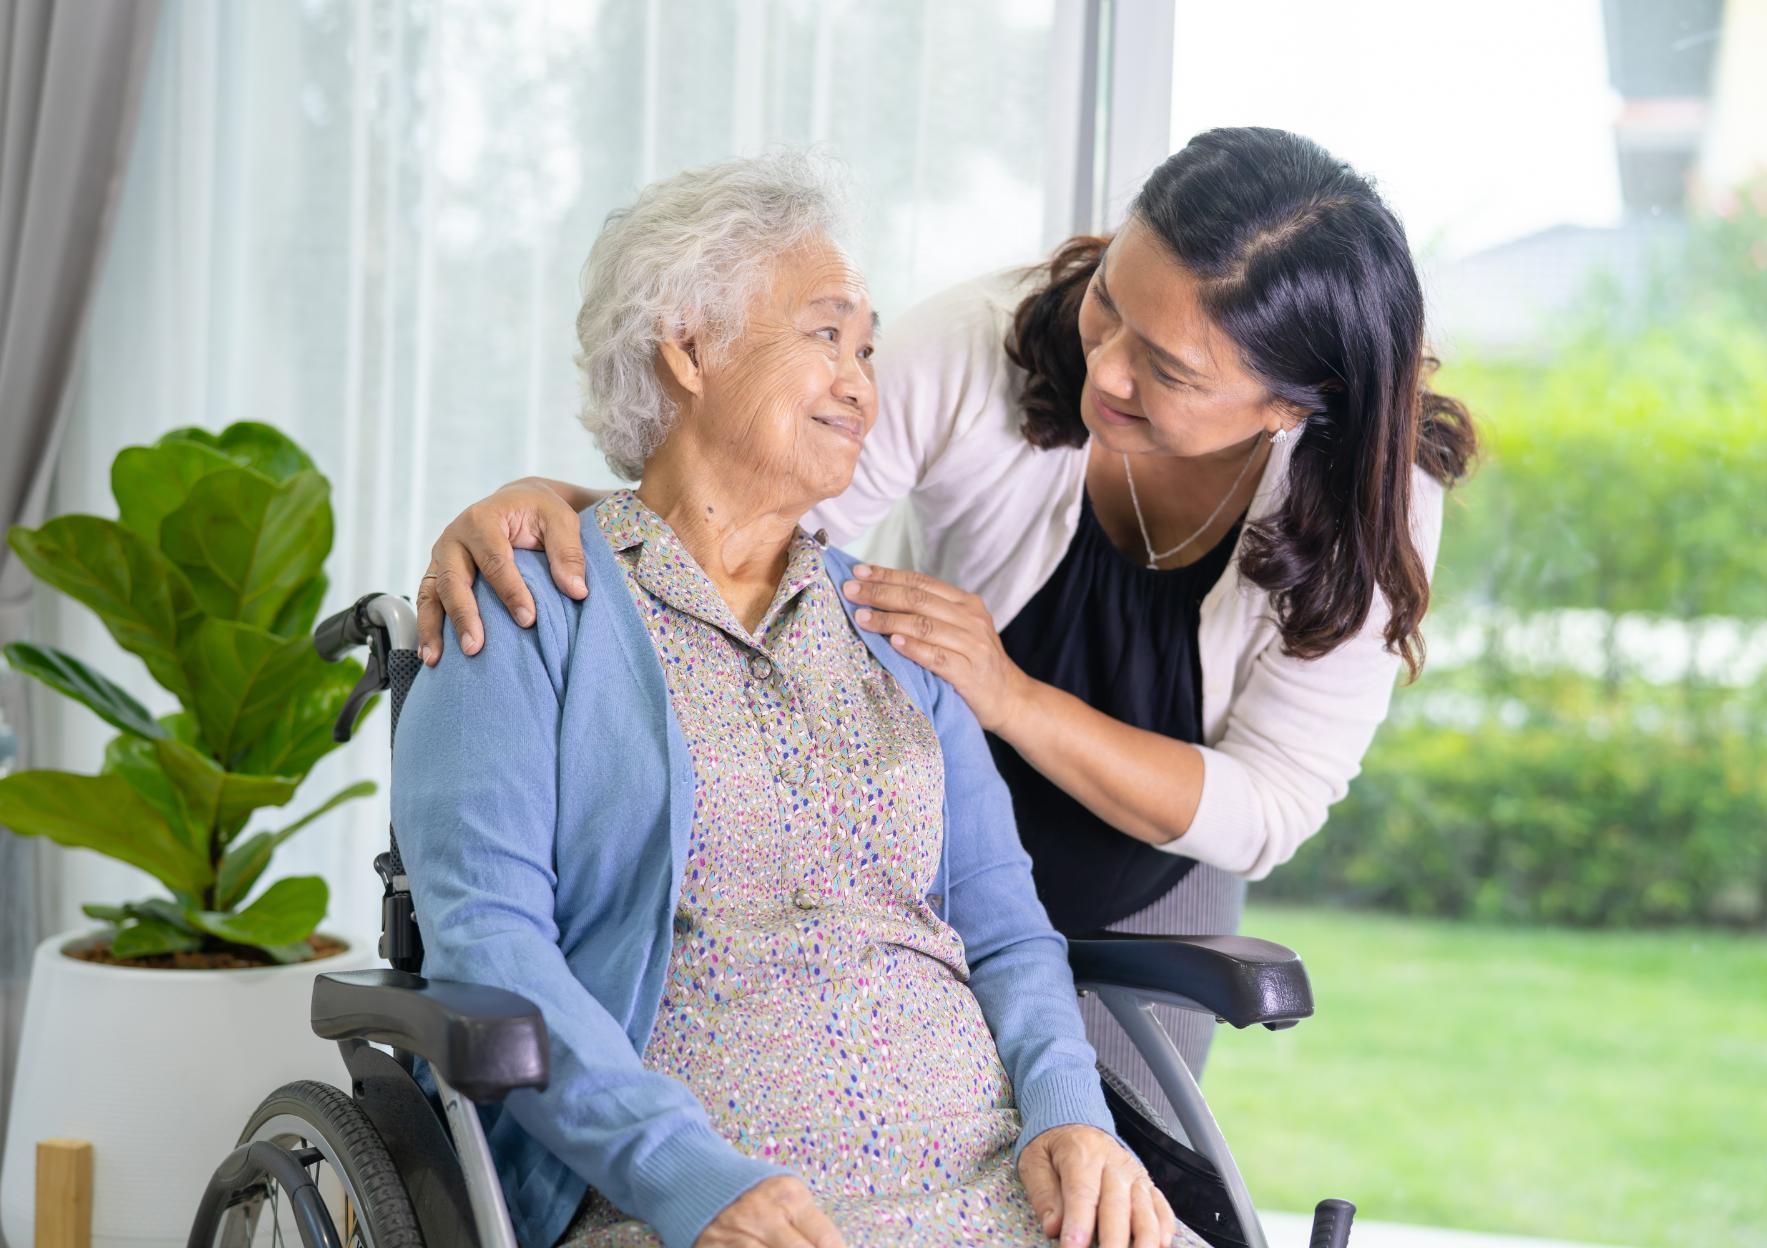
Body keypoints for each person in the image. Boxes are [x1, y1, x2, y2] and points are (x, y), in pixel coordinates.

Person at [417, 127, 1478, 1120]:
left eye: (1168, 370)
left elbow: (1270, 799)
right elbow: (742, 511)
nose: (1104, 366)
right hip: (906, 827)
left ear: (1288, 406)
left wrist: (1010, 696)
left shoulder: (1368, 507)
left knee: (1108, 1172)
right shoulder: (987, 344)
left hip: (1147, 867)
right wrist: (546, 506)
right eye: (1110, 302)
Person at [393, 151, 1195, 1248]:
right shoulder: (524, 615)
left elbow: (1007, 933)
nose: (865, 385)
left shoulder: (899, 635)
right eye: (827, 337)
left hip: (999, 1184)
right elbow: (491, 948)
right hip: (702, 1204)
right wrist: (685, 1178)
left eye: (868, 350)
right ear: (687, 348)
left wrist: (1070, 1114)